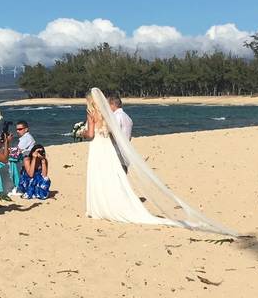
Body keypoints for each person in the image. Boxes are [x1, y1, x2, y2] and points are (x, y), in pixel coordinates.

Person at [83, 87, 234, 234]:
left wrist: (82, 133)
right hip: (108, 150)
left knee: (104, 178)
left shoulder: (96, 114)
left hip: (103, 150)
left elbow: (91, 135)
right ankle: (109, 205)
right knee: (112, 179)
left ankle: (103, 207)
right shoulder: (108, 115)